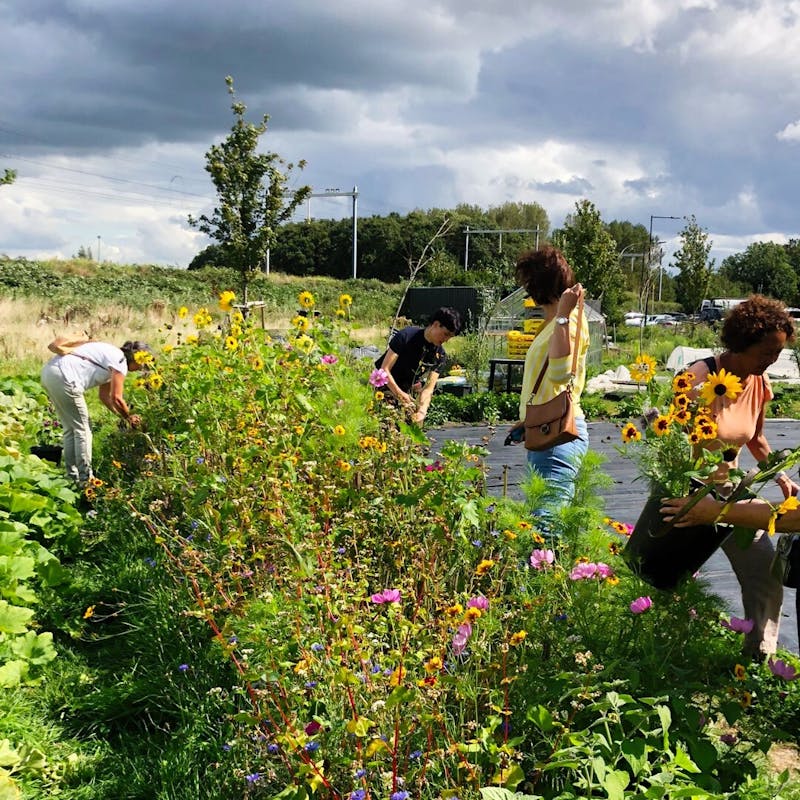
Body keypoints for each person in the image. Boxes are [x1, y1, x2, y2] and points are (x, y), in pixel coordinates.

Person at [665, 295, 798, 657]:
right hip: (685, 489)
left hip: (729, 492)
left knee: (764, 572)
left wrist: (779, 476)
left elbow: (756, 438)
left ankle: (758, 657)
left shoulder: (758, 381)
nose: (772, 359)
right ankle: (664, 654)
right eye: (766, 352)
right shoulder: (698, 377)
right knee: (667, 575)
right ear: (742, 342)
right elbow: (670, 438)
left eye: (778, 352)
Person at [506, 246, 590, 517]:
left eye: (528, 281)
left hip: (559, 437)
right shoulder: (554, 321)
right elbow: (545, 384)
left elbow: (559, 374)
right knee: (543, 519)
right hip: (545, 430)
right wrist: (527, 420)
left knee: (546, 522)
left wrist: (563, 314)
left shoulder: (569, 321)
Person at [41, 340, 150, 485]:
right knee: (83, 430)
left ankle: (72, 477)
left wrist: (122, 416)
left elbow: (105, 397)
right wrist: (129, 417)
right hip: (66, 377)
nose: (141, 368)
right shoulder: (120, 362)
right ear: (136, 358)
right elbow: (117, 398)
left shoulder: (112, 357)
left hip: (50, 373)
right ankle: (86, 480)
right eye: (142, 363)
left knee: (71, 429)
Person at [374, 307, 462, 424]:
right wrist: (399, 394)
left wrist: (422, 411)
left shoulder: (440, 355)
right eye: (445, 334)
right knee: (389, 422)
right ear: (436, 324)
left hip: (407, 393)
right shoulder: (406, 336)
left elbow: (428, 389)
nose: (446, 340)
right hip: (383, 387)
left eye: (449, 337)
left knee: (415, 423)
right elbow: (384, 369)